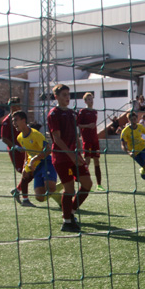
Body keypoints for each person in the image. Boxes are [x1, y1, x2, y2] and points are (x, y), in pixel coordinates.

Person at [47, 84, 93, 232]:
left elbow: (76, 135)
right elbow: (57, 139)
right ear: (56, 97)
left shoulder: (73, 113)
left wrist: (80, 151)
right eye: (64, 95)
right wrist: (71, 155)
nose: (67, 97)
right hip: (62, 157)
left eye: (68, 94)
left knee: (87, 184)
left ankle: (70, 212)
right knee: (69, 189)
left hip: (74, 155)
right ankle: (67, 222)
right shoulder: (54, 114)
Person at [12, 111, 63, 206]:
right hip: (36, 166)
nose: (14, 123)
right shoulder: (19, 138)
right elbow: (27, 152)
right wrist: (25, 166)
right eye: (12, 121)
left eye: (16, 120)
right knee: (40, 198)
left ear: (23, 120)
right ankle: (61, 192)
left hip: (46, 162)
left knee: (49, 187)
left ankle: (64, 193)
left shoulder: (36, 134)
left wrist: (33, 159)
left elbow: (48, 150)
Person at [0, 97, 34, 206]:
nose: (18, 107)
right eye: (16, 105)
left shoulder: (21, 118)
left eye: (19, 105)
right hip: (16, 152)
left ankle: (18, 191)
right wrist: (14, 146)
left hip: (25, 149)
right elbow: (4, 138)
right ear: (11, 106)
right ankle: (24, 198)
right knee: (26, 173)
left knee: (31, 171)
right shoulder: (7, 121)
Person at [77, 92, 105, 191]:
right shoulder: (82, 111)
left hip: (94, 139)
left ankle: (99, 184)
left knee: (97, 161)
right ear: (85, 101)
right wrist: (87, 126)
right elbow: (78, 124)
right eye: (88, 99)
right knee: (87, 160)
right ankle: (84, 183)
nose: (91, 101)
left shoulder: (95, 112)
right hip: (87, 139)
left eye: (92, 98)